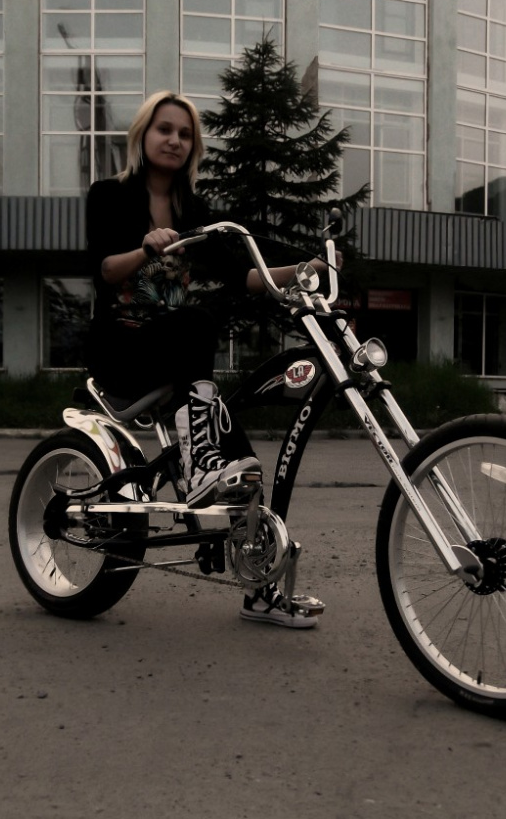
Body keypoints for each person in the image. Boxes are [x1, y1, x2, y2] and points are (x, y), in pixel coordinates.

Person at [85, 91, 330, 627]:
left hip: (177, 357)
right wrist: (147, 249)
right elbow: (104, 270)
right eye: (164, 129)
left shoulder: (194, 213)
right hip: (123, 348)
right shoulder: (109, 195)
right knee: (196, 319)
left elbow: (244, 276)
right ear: (143, 134)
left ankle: (260, 590)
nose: (174, 140)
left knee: (245, 468)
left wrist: (303, 270)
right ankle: (199, 467)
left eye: (185, 133)